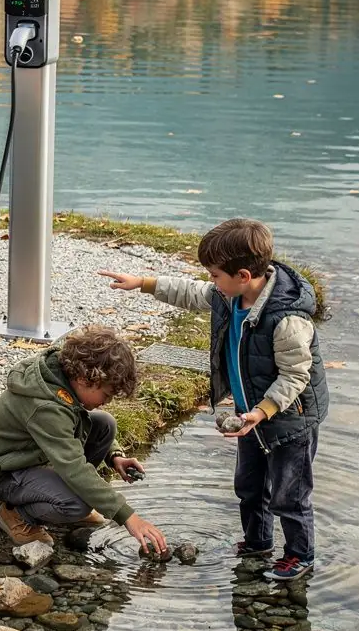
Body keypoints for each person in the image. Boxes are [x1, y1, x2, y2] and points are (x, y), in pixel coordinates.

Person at [103, 217, 328, 581]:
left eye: (214, 275)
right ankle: (257, 542)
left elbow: (295, 376)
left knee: (290, 492)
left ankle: (299, 555)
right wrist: (143, 283)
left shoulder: (287, 320)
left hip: (289, 418)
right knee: (249, 485)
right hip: (249, 415)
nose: (210, 281)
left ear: (242, 275)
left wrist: (263, 410)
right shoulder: (229, 294)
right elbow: (190, 292)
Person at [0, 324, 168, 552]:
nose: (107, 401)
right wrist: (128, 516)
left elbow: (77, 424)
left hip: (33, 457)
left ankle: (58, 493)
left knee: (104, 424)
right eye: (106, 394)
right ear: (86, 379)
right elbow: (75, 468)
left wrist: (114, 455)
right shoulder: (47, 407)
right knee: (78, 505)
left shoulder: (62, 378)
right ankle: (16, 515)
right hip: (6, 474)